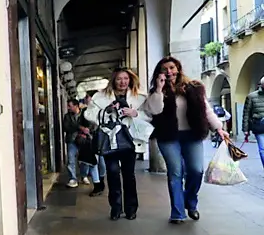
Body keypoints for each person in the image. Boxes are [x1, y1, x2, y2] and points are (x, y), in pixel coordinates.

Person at [145, 56, 229, 224]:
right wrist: (159, 89)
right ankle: (177, 212)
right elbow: (154, 110)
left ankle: (190, 201)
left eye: (172, 68)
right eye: (164, 69)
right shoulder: (157, 91)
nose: (169, 72)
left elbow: (206, 110)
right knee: (175, 172)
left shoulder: (194, 87)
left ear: (178, 68)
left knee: (196, 170)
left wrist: (218, 128)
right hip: (168, 136)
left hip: (191, 135)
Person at [85, 68, 149, 220]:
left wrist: (135, 113)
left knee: (129, 176)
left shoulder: (139, 97)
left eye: (125, 78)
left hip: (130, 141)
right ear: (113, 80)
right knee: (113, 174)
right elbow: (89, 114)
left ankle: (131, 209)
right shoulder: (101, 97)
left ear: (130, 79)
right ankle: (115, 208)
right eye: (119, 79)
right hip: (110, 141)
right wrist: (106, 111)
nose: (123, 82)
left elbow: (149, 115)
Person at [242, 76, 264, 169]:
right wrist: (245, 130)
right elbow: (246, 113)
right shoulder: (251, 96)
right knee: (263, 149)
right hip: (259, 125)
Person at [63, 99, 83, 187]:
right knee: (71, 160)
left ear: (76, 106)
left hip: (83, 140)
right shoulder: (67, 116)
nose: (68, 108)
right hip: (71, 140)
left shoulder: (84, 114)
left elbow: (88, 126)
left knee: (84, 160)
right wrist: (79, 127)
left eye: (70, 106)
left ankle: (84, 175)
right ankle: (73, 179)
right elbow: (66, 127)